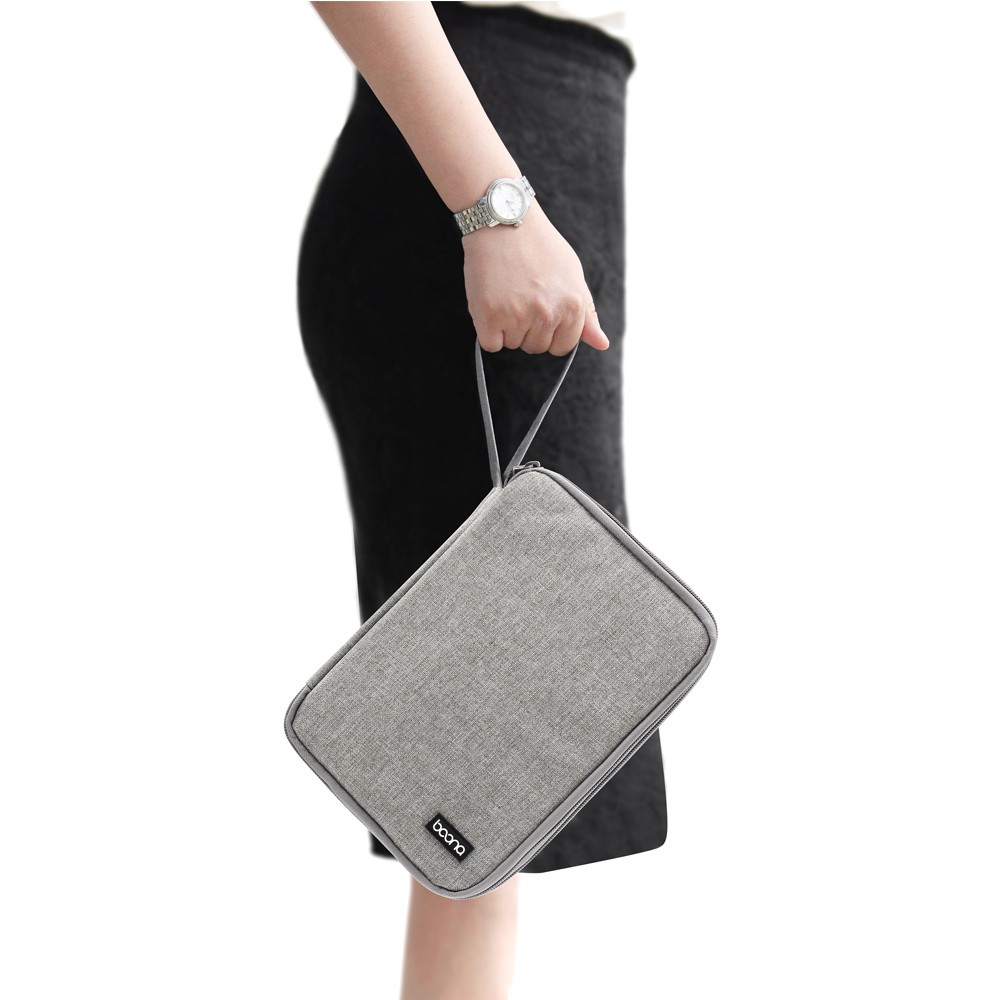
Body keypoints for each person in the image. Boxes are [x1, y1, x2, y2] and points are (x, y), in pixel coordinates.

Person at [298, 3, 660, 997]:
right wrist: (494, 209)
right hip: (480, 180)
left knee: (484, 805)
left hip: (533, 162)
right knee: (480, 790)